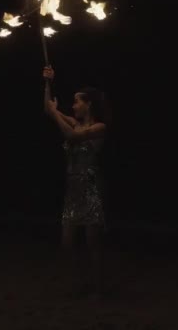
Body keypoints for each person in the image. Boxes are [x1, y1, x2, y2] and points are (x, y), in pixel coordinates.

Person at [42, 66, 110, 301]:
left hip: (91, 189)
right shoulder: (73, 122)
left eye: (77, 102)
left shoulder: (98, 128)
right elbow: (49, 111)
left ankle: (98, 288)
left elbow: (70, 136)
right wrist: (48, 83)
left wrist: (57, 115)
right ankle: (81, 283)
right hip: (72, 190)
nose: (73, 106)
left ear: (88, 104)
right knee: (67, 243)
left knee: (93, 244)